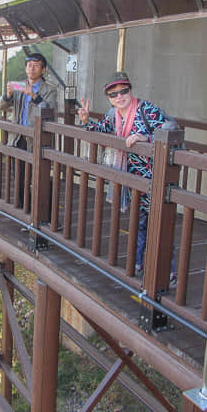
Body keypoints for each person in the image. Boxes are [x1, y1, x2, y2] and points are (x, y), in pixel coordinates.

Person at [77, 71, 170, 279]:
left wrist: (145, 137)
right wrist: (85, 120)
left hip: (153, 176)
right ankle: (138, 262)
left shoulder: (146, 109)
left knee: (157, 223)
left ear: (130, 90)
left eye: (123, 91)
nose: (119, 97)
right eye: (113, 94)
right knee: (140, 221)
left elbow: (170, 129)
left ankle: (167, 270)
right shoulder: (114, 115)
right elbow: (100, 129)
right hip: (132, 177)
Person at [0, 52, 58, 210]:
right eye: (29, 65)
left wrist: (33, 95)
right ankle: (25, 210)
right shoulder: (19, 87)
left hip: (37, 139)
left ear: (43, 69)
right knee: (19, 176)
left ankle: (45, 213)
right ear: (25, 68)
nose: (32, 68)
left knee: (41, 176)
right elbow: (0, 105)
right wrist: (9, 94)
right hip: (18, 138)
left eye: (36, 65)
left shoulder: (49, 90)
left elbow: (49, 110)